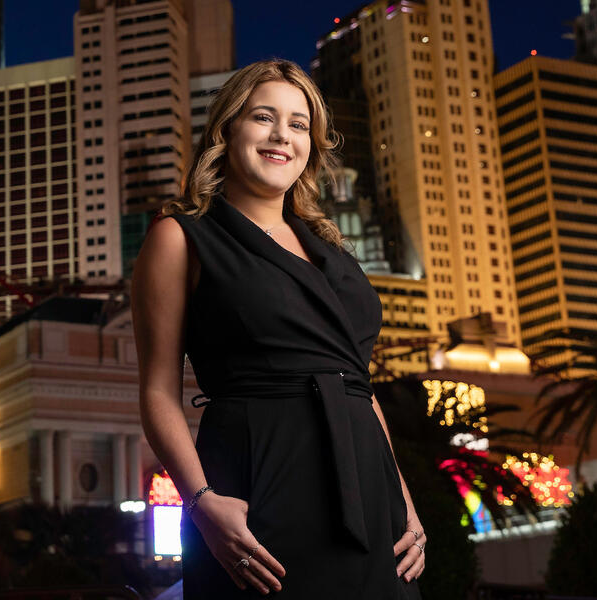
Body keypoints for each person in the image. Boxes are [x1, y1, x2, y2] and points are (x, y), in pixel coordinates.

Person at [131, 59, 425, 597]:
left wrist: (403, 501)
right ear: (226, 131)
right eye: (263, 117)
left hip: (372, 498)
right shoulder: (181, 236)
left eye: (297, 124)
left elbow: (358, 385)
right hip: (255, 490)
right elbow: (157, 391)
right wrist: (201, 503)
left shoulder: (334, 250)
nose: (280, 136)